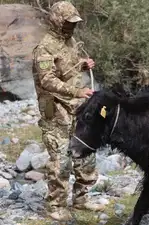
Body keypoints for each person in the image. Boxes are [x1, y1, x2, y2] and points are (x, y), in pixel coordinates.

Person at [32, 1, 103, 221]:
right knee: (60, 160)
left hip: (75, 109)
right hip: (56, 111)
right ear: (57, 20)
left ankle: (82, 199)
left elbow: (67, 66)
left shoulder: (69, 41)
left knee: (84, 152)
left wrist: (83, 64)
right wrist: (76, 91)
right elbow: (47, 79)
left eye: (74, 23)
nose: (72, 27)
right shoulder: (44, 47)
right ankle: (55, 206)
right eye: (68, 22)